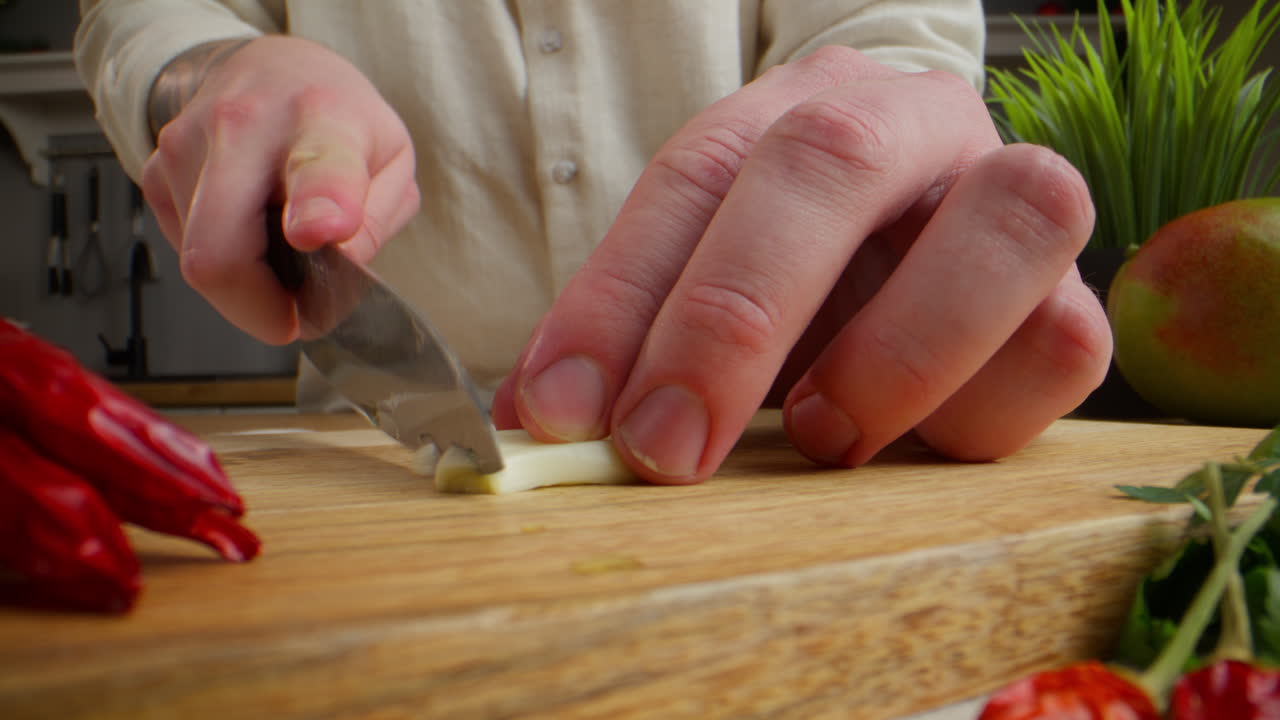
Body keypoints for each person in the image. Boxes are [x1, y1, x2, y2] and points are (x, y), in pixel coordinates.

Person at [73, 2, 1112, 486]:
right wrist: (209, 75)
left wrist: (892, 159)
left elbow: (887, 42)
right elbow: (142, 18)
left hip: (759, 466)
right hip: (365, 468)